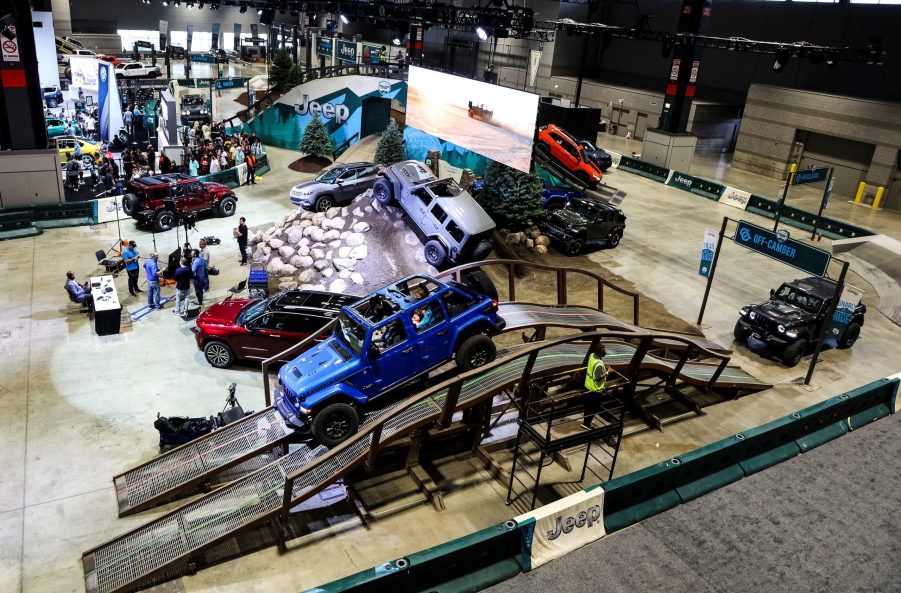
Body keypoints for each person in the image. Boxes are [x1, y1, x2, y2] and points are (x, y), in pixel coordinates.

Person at [582, 343, 608, 429]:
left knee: (587, 406)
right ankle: (586, 424)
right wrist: (607, 373)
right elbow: (597, 378)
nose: (605, 352)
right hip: (595, 390)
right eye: (604, 350)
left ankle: (585, 422)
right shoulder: (599, 364)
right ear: (600, 352)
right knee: (594, 408)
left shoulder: (591, 356)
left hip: (587, 386)